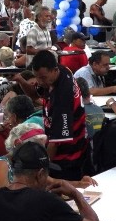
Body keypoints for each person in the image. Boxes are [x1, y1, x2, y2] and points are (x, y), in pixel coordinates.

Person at [32, 49, 89, 180]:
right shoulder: (62, 71)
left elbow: (55, 142)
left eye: (43, 77)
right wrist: (20, 80)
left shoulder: (62, 98)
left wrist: (43, 171)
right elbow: (35, 95)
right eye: (36, 76)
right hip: (71, 149)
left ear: (54, 70)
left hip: (68, 158)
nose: (39, 82)